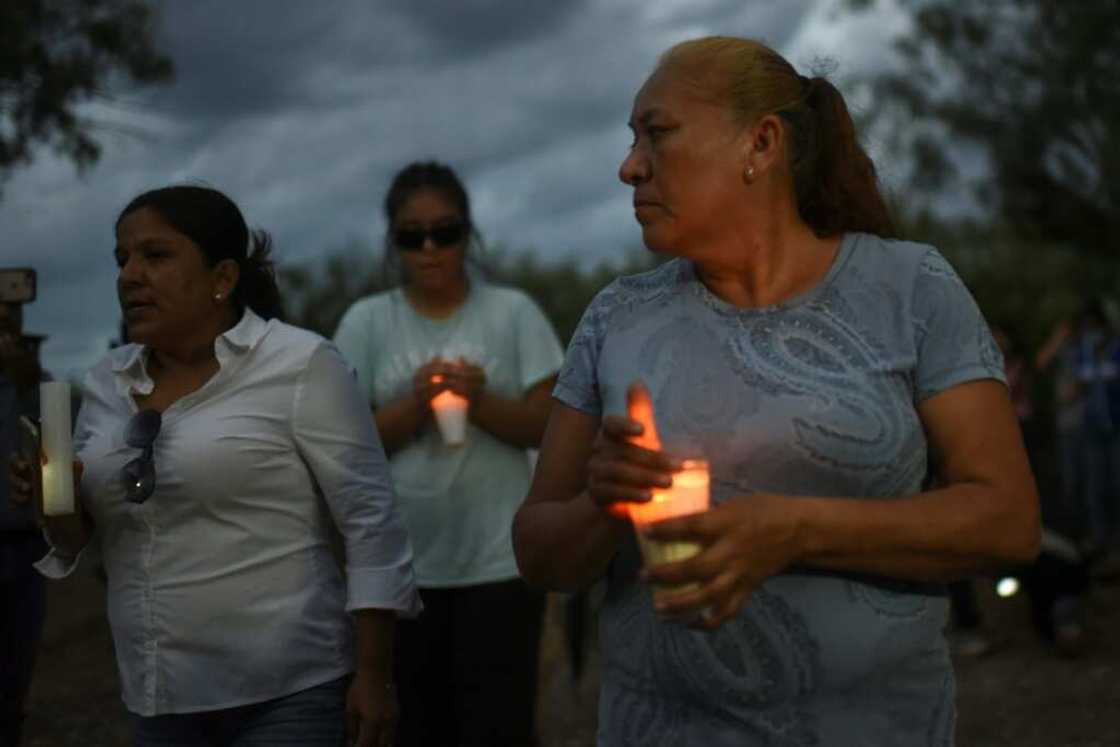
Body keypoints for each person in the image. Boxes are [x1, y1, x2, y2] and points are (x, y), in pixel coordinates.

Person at [513, 36, 1039, 745]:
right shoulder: (615, 317)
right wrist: (603, 505)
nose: (629, 165)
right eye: (632, 138)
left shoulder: (911, 288)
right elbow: (539, 552)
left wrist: (792, 530)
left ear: (759, 143)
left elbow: (1007, 521)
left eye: (657, 134)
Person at [9, 185, 419, 747]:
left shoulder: (301, 365)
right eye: (121, 258)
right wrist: (51, 498)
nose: (129, 275)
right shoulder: (108, 382)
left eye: (155, 256)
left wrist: (375, 676)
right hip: (158, 696)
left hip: (290, 692)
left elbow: (371, 523)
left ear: (222, 278)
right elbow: (81, 535)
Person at [332, 161, 564, 747]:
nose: (430, 248)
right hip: (401, 573)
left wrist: (478, 401)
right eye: (413, 236)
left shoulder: (512, 314)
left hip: (499, 565)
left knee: (499, 728)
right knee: (414, 730)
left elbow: (552, 428)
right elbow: (339, 445)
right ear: (394, 242)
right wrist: (417, 404)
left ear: (468, 234)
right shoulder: (367, 322)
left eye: (446, 232)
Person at [0, 299, 49, 746]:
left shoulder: (32, 382)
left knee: (16, 669)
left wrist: (30, 380)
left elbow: (56, 453)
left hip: (27, 543)